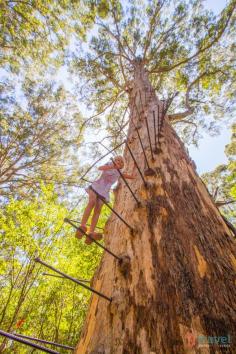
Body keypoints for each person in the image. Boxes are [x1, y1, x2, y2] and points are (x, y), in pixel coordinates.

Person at [76, 155, 136, 244]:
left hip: (104, 192)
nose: (118, 162)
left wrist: (133, 176)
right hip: (96, 187)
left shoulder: (118, 173)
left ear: (122, 165)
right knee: (91, 202)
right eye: (117, 160)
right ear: (114, 161)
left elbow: (125, 175)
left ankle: (91, 232)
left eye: (121, 162)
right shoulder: (109, 164)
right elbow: (100, 168)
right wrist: (112, 166)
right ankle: (82, 226)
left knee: (97, 211)